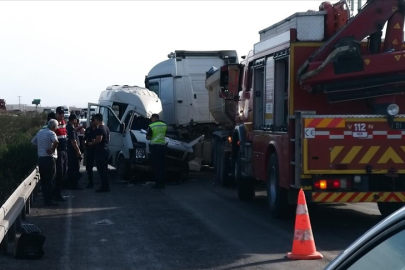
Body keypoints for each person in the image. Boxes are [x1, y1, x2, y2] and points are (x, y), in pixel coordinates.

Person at [31, 119, 59, 206]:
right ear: (53, 127)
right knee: (50, 180)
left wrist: (41, 148)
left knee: (44, 180)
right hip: (49, 159)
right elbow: (56, 141)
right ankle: (49, 200)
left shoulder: (40, 132)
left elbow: (33, 142)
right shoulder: (51, 133)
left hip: (41, 158)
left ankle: (45, 198)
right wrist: (52, 149)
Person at [87, 113, 110, 192]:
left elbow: (99, 139)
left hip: (101, 151)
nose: (94, 121)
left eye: (95, 120)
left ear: (97, 119)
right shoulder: (106, 127)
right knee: (104, 169)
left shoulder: (100, 129)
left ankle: (105, 187)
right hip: (106, 149)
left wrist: (92, 143)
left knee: (101, 170)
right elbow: (108, 139)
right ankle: (105, 186)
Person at [146, 113, 167, 189]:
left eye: (151, 119)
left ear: (153, 118)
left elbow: (148, 137)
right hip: (163, 147)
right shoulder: (164, 125)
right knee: (162, 166)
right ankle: (163, 183)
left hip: (155, 148)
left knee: (156, 166)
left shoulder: (151, 126)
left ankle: (158, 184)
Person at [54, 106, 68, 201]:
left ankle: (59, 192)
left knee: (63, 173)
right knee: (58, 174)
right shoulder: (53, 123)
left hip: (64, 151)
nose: (62, 115)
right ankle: (57, 195)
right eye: (60, 113)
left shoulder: (63, 122)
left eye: (63, 113)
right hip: (58, 151)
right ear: (56, 114)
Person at [66, 114, 83, 190]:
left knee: (71, 168)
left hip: (69, 150)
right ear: (74, 120)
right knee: (75, 168)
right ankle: (74, 184)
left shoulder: (68, 127)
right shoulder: (71, 128)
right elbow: (73, 141)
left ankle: (71, 184)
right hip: (73, 151)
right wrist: (78, 151)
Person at [84, 116, 98, 188]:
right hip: (89, 149)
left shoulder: (99, 130)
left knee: (99, 166)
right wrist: (86, 142)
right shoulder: (88, 130)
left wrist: (94, 141)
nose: (92, 122)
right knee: (89, 167)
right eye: (91, 120)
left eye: (93, 120)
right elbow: (85, 138)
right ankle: (90, 182)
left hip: (97, 150)